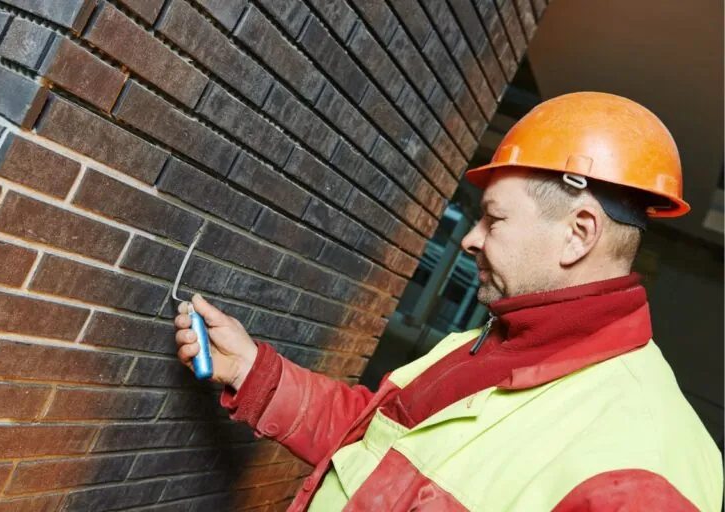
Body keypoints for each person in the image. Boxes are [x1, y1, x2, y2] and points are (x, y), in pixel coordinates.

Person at [174, 92, 723, 511]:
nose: (470, 237)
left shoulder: (649, 460)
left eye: (494, 218)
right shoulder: (481, 342)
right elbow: (368, 446)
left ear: (579, 233)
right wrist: (251, 371)